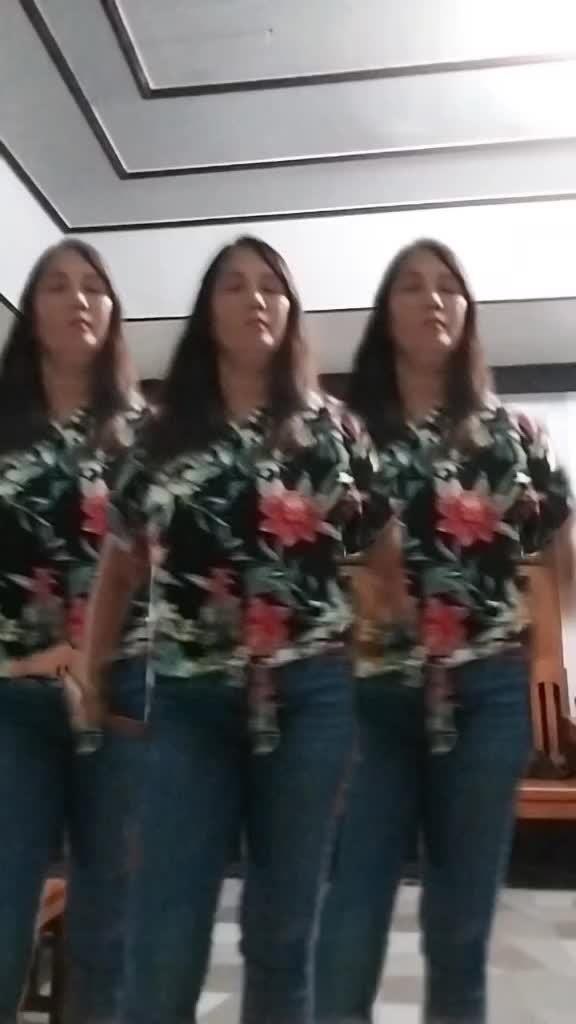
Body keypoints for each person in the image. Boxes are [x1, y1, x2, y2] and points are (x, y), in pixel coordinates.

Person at [81, 235, 400, 1024]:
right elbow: (118, 570)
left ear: (291, 310)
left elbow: (387, 560)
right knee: (164, 928)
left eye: (271, 286)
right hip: (185, 700)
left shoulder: (336, 432)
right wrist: (90, 677)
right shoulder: (154, 437)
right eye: (234, 286)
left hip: (312, 701)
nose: (256, 299)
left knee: (283, 931)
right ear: (207, 312)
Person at [315, 238, 574, 1024]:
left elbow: (551, 552)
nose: (434, 299)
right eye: (412, 287)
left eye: (448, 287)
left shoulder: (516, 434)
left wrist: (546, 650)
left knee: (462, 923)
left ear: (467, 311)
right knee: (352, 900)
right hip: (370, 696)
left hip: (488, 693)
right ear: (384, 315)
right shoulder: (341, 434)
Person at [0, 240, 147, 1023]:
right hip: (11, 698)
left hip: (123, 700)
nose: (78, 298)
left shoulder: (151, 439)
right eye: (57, 286)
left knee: (111, 925)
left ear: (113, 311)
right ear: (31, 313)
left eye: (93, 286)